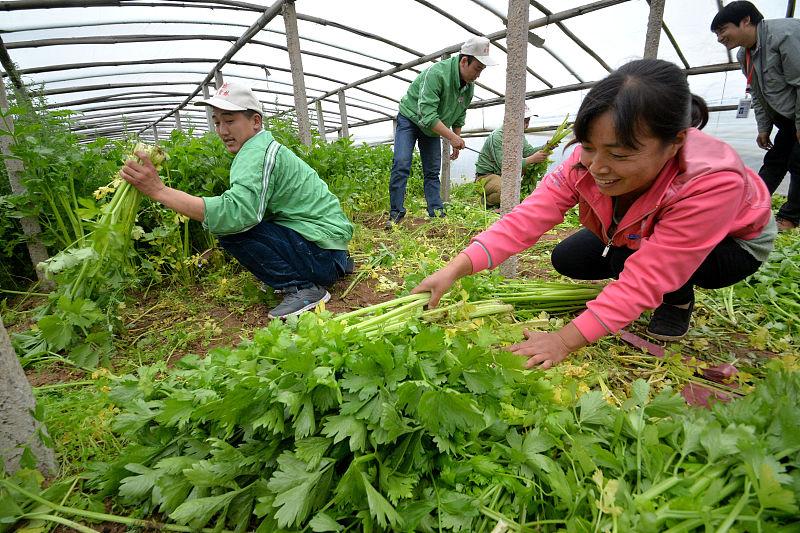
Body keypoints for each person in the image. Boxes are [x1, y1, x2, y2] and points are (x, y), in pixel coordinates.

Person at [412, 59, 776, 369]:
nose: (598, 168)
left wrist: (564, 340)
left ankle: (678, 301)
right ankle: (625, 275)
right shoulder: (583, 162)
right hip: (635, 229)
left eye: (619, 155)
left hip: (732, 246)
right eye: (589, 147)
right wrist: (454, 269)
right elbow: (524, 220)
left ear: (675, 142)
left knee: (637, 264)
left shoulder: (711, 181)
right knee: (569, 257)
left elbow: (650, 274)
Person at [120, 83, 354, 319]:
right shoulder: (261, 147)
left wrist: (158, 190)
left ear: (255, 121)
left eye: (230, 121)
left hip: (323, 256)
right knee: (239, 223)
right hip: (331, 251)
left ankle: (302, 287)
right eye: (217, 122)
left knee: (232, 230)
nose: (222, 130)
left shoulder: (257, 153)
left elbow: (237, 214)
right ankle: (316, 270)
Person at [386, 36, 497, 228]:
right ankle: (396, 212)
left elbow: (459, 115)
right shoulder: (437, 74)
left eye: (482, 70)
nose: (478, 75)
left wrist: (457, 137)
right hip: (411, 119)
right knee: (402, 162)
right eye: (477, 68)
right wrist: (452, 137)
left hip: (431, 128)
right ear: (464, 61)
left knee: (432, 171)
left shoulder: (468, 87)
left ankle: (436, 212)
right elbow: (427, 116)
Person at [711, 1, 800, 232]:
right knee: (775, 161)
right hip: (788, 118)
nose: (720, 38)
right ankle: (748, 206)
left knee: (798, 162)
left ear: (746, 20)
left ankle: (789, 219)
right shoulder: (745, 55)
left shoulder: (786, 33)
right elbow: (757, 93)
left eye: (722, 30)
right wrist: (764, 127)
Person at [474, 105, 550, 207]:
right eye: (525, 121)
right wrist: (531, 159)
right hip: (486, 176)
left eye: (528, 121)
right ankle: (486, 201)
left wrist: (547, 146)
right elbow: (504, 165)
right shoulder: (497, 136)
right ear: (513, 119)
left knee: (513, 190)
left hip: (502, 176)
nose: (527, 125)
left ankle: (500, 201)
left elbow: (528, 151)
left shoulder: (519, 135)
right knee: (506, 191)